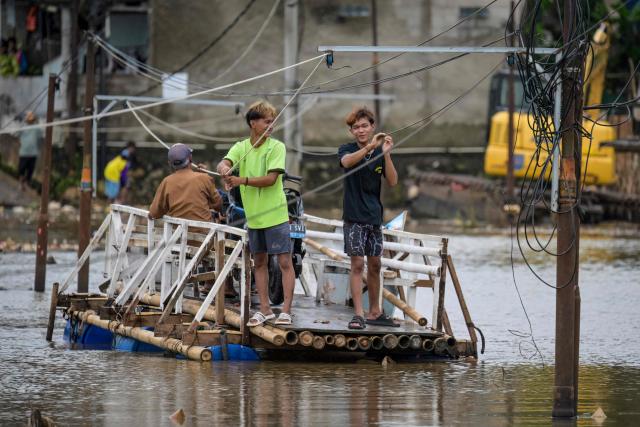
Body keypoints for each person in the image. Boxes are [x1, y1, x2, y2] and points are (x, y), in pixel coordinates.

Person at [216, 100, 295, 326]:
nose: (271, 126)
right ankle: (265, 309)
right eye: (267, 122)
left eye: (273, 122)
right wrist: (224, 170)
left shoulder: (276, 147)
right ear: (253, 123)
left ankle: (286, 310)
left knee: (284, 262)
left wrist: (241, 180)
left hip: (276, 215)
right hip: (254, 218)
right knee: (258, 262)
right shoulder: (241, 147)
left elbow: (271, 179)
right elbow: (225, 161)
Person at [338, 106, 399, 330]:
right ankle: (358, 314)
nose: (361, 130)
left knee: (375, 265)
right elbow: (347, 162)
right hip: (354, 217)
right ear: (352, 131)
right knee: (357, 264)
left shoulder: (379, 152)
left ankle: (375, 311)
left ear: (372, 127)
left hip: (374, 218)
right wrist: (370, 147)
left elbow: (392, 181)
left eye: (365, 126)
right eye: (356, 127)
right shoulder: (346, 149)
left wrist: (385, 153)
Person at [149, 143, 222, 221]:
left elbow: (154, 213)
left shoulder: (166, 182)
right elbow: (219, 205)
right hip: (205, 232)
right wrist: (206, 178)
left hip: (178, 232)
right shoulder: (204, 178)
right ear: (190, 158)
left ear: (170, 163)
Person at [17, 111, 43, 190]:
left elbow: (40, 138)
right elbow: (17, 135)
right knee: (21, 169)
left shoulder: (37, 128)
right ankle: (21, 183)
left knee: (30, 170)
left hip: (33, 153)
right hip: (24, 152)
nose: (30, 120)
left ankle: (26, 183)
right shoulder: (23, 127)